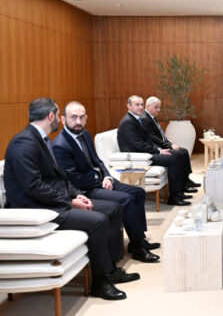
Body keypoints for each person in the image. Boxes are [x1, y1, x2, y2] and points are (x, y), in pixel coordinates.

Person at [3, 98, 138, 300]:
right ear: (51, 116)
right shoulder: (24, 142)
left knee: (113, 208)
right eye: (58, 115)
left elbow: (59, 178)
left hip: (51, 202)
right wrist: (69, 202)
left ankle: (110, 269)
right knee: (98, 221)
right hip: (37, 210)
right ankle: (100, 283)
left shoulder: (39, 138)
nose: (59, 119)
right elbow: (33, 186)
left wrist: (76, 194)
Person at [52, 101, 160, 263]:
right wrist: (99, 179)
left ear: (86, 118)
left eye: (81, 117)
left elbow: (97, 161)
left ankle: (138, 239)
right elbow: (75, 178)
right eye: (73, 117)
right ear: (63, 119)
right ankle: (138, 248)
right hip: (84, 189)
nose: (78, 122)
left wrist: (107, 177)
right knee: (126, 199)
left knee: (138, 192)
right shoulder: (60, 145)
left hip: (100, 181)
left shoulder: (85, 134)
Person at [117, 95, 190, 206]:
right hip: (138, 157)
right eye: (137, 104)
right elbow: (139, 145)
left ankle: (179, 192)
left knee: (177, 154)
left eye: (141, 104)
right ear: (129, 106)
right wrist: (159, 151)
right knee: (173, 158)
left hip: (144, 153)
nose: (140, 107)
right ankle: (174, 197)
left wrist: (159, 149)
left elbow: (146, 140)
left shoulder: (136, 119)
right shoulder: (128, 122)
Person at [141, 96, 201, 192]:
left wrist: (169, 143)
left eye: (159, 107)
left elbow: (161, 135)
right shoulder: (145, 119)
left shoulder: (151, 117)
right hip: (156, 148)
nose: (159, 109)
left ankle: (186, 180)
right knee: (179, 154)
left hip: (162, 145)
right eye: (156, 107)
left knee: (184, 151)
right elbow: (153, 138)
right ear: (148, 106)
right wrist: (169, 146)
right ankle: (183, 184)